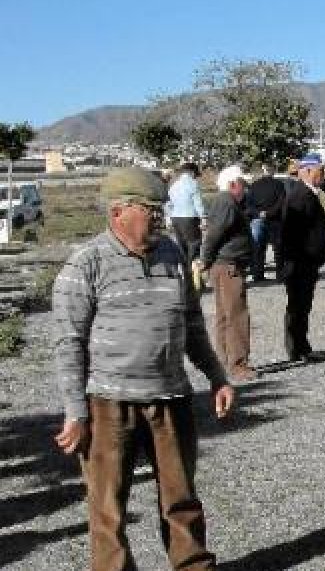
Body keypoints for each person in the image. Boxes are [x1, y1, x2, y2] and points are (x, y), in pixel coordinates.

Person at [52, 167, 235, 570]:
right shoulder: (85, 265)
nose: (159, 218)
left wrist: (217, 376)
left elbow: (191, 323)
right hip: (108, 404)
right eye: (151, 209)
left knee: (181, 499)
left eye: (161, 209)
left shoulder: (172, 253)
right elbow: (68, 344)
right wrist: (75, 412)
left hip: (171, 399)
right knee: (107, 509)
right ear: (120, 211)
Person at [198, 165, 256, 382]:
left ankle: (224, 360)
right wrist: (205, 259)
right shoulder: (227, 202)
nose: (245, 188)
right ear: (233, 184)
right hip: (228, 266)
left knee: (225, 315)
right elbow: (214, 234)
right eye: (243, 183)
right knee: (236, 315)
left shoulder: (225, 202)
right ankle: (238, 365)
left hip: (224, 265)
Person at [279, 154, 325, 363]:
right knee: (297, 306)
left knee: (303, 306)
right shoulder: (300, 195)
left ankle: (301, 346)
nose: (323, 175)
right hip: (300, 263)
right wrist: (296, 261)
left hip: (307, 262)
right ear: (307, 171)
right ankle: (297, 349)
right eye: (320, 171)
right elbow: (290, 234)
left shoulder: (308, 193)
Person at [167, 162, 206, 287]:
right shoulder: (192, 184)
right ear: (192, 172)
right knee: (194, 248)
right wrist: (204, 218)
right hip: (190, 218)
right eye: (196, 174)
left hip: (175, 219)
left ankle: (186, 278)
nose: (196, 177)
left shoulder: (173, 185)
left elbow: (169, 204)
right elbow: (198, 204)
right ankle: (195, 281)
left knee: (182, 249)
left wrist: (169, 219)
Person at [247, 163, 287, 282]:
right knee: (278, 248)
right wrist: (269, 213)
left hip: (257, 219)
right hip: (275, 219)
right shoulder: (279, 184)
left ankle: (257, 275)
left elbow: (249, 204)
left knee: (258, 248)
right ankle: (280, 274)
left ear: (263, 172)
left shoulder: (254, 185)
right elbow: (281, 202)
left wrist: (259, 213)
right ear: (273, 171)